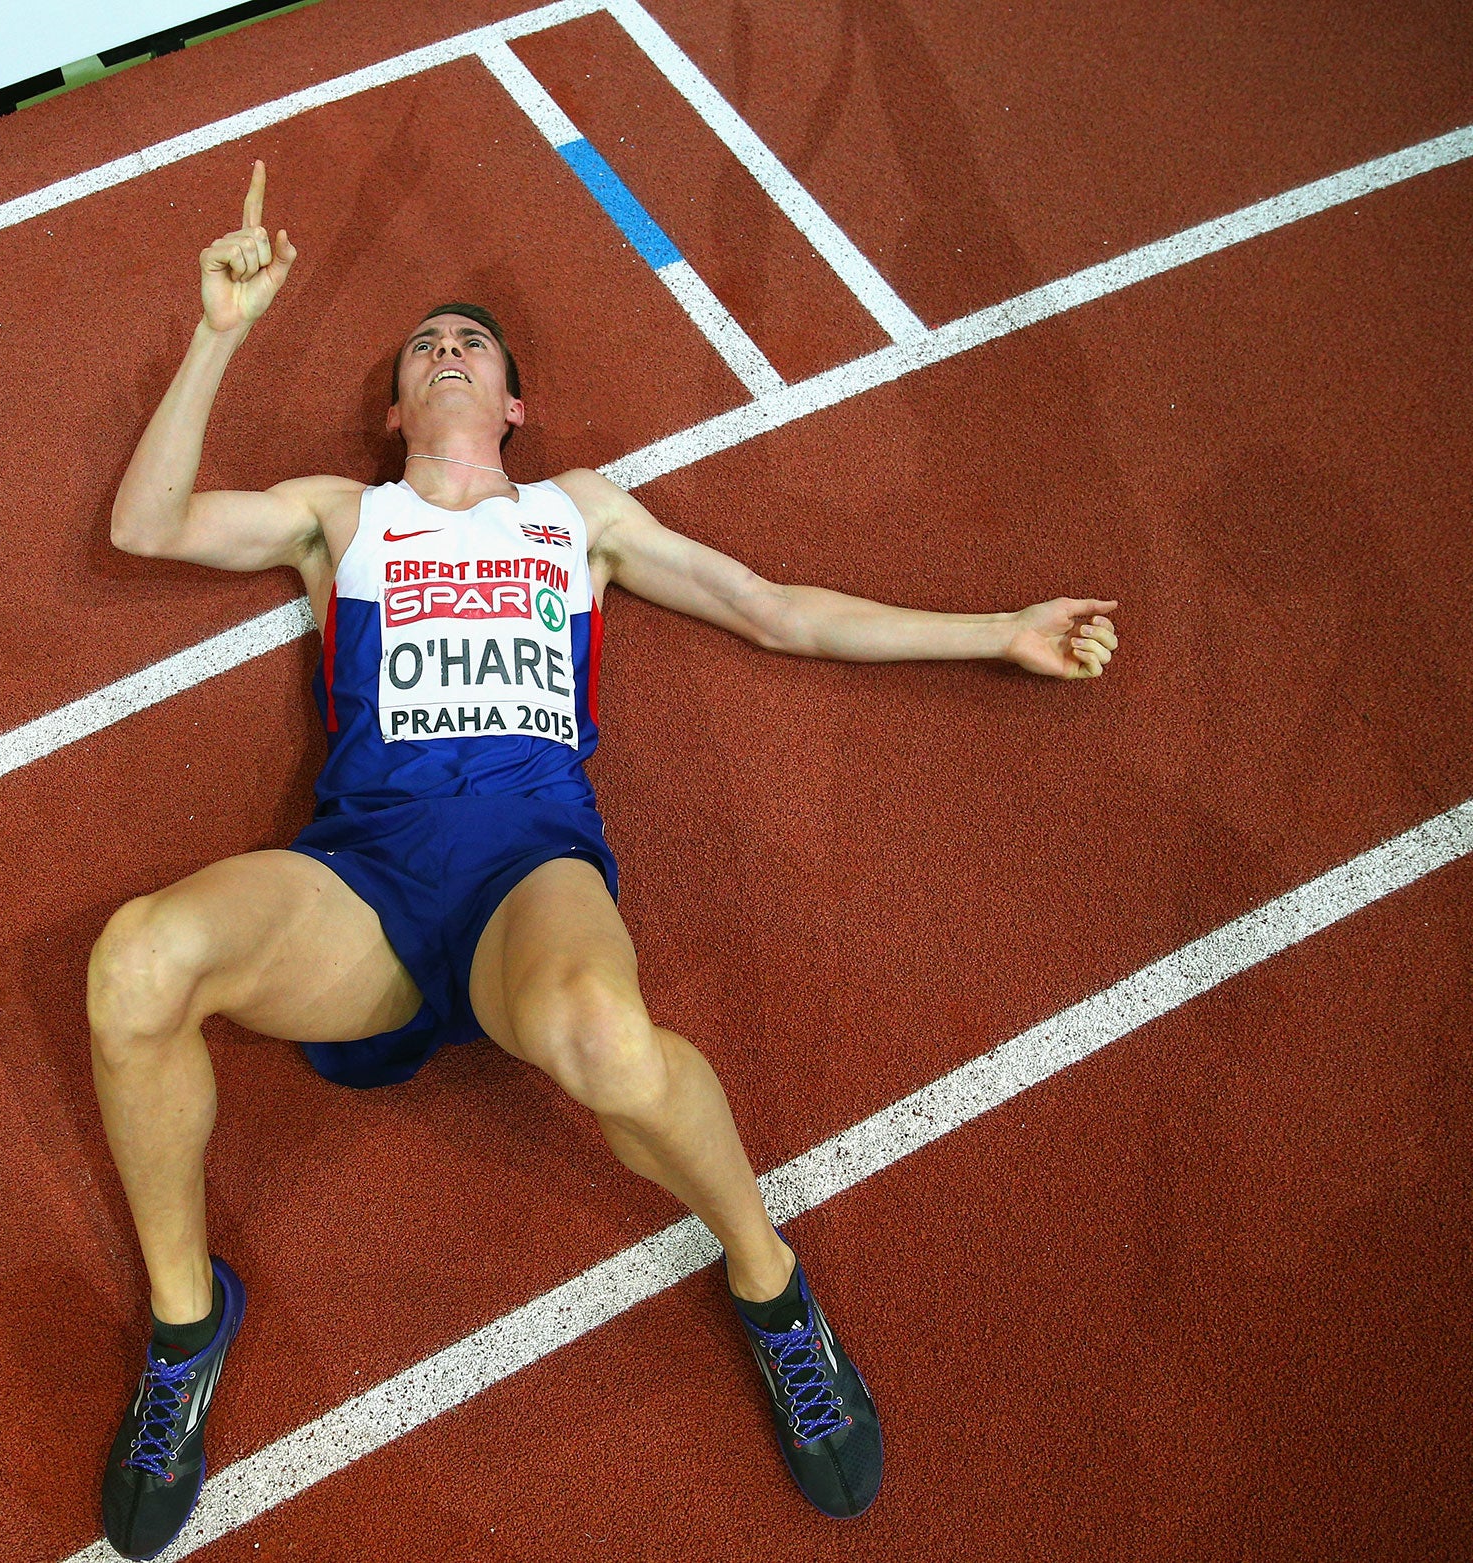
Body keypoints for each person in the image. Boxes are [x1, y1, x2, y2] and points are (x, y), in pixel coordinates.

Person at [88, 161, 1119, 1559]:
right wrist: (218, 330)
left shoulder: (580, 518)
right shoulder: (341, 516)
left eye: (474, 346)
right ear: (396, 415)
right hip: (363, 886)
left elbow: (779, 614)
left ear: (512, 406)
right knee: (136, 964)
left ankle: (771, 1290)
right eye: (423, 351)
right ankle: (185, 1327)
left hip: (530, 876)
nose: (448, 351)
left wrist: (992, 628)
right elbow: (144, 527)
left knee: (608, 1040)